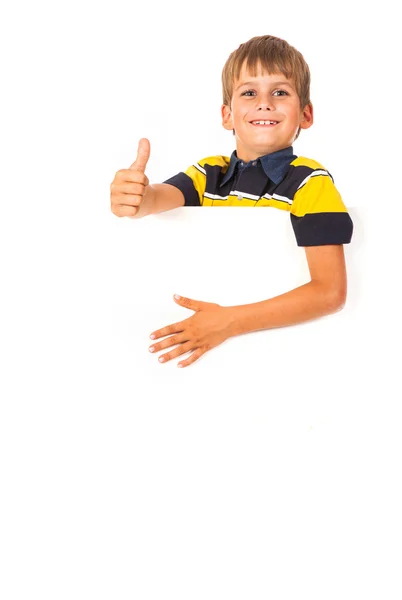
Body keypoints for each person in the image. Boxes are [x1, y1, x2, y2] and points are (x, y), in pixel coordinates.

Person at [110, 34, 353, 369]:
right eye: (249, 92)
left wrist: (226, 323)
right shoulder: (208, 173)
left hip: (278, 355)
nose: (264, 103)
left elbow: (330, 293)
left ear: (306, 114)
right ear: (227, 115)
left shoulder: (311, 182)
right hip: (201, 357)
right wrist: (136, 197)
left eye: (280, 92)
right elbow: (157, 200)